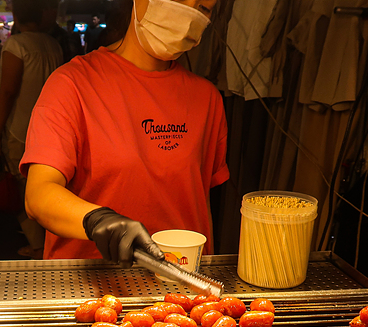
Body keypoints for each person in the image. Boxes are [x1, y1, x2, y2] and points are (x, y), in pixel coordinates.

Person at [22, 0, 228, 263]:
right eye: (178, 1)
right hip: (91, 286)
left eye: (203, 8)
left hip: (180, 285)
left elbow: (199, 202)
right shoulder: (71, 84)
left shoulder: (207, 98)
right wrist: (96, 220)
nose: (188, 16)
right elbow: (38, 195)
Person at [0, 0, 62, 259]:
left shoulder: (16, 44)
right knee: (53, 187)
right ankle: (51, 243)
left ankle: (37, 246)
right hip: (53, 128)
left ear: (16, 15)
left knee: (23, 189)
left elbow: (8, 92)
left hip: (22, 129)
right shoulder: (52, 44)